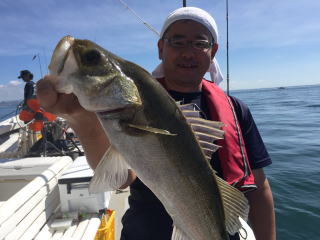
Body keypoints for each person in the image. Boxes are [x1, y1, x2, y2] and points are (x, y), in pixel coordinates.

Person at [36, 7, 275, 240]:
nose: (188, 52)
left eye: (199, 43)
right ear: (161, 48)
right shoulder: (127, 105)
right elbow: (120, 180)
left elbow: (260, 187)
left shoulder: (237, 109)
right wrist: (81, 119)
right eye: (177, 42)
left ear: (212, 52)